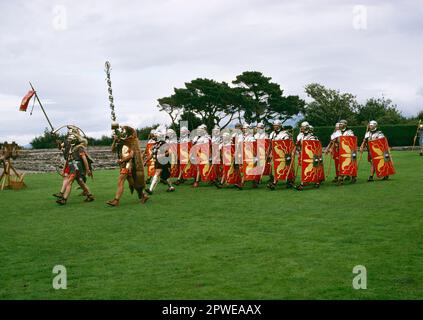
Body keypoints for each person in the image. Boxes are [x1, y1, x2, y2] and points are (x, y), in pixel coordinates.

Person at [106, 125, 149, 206]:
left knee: (120, 181)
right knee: (133, 183)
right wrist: (115, 141)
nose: (121, 133)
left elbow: (131, 155)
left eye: (123, 132)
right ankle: (143, 195)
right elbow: (112, 150)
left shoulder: (131, 141)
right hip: (123, 165)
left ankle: (116, 200)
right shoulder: (120, 142)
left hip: (129, 165)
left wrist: (121, 160)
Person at [56, 133, 94, 205]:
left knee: (69, 182)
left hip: (76, 166)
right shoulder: (70, 148)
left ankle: (64, 199)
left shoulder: (79, 147)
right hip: (71, 166)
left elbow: (84, 159)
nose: (69, 141)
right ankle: (90, 195)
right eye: (69, 139)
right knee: (80, 182)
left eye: (71, 139)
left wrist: (88, 169)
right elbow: (67, 159)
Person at [145, 129, 176, 194]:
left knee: (157, 173)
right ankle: (171, 187)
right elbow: (152, 154)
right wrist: (146, 161)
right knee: (165, 176)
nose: (153, 137)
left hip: (163, 161)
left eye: (155, 136)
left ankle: (150, 189)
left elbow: (169, 152)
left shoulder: (163, 143)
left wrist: (161, 155)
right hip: (158, 162)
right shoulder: (155, 145)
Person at [267, 120, 295, 190]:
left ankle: (289, 181)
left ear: (280, 126)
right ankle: (274, 181)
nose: (275, 127)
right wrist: (268, 153)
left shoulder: (285, 134)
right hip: (274, 154)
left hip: (284, 154)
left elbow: (288, 145)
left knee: (286, 167)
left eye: (276, 125)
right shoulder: (272, 134)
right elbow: (270, 145)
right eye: (274, 125)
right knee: (275, 167)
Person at [295, 124, 324, 191]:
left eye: (303, 127)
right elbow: (299, 145)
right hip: (303, 154)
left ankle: (314, 181)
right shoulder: (301, 136)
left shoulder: (312, 137)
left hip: (310, 155)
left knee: (313, 168)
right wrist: (298, 146)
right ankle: (307, 180)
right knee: (304, 167)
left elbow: (314, 147)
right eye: (301, 127)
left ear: (306, 128)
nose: (301, 128)